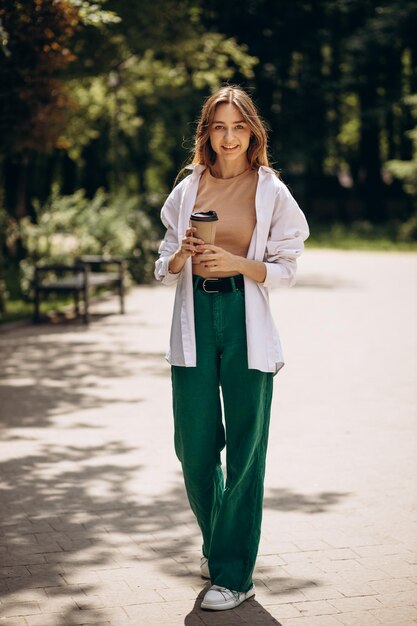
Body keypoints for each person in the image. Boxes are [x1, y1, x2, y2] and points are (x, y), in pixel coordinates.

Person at [154, 85, 309, 611]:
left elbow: (287, 267)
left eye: (238, 127)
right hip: (193, 322)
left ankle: (234, 573)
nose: (228, 137)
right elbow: (162, 264)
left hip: (246, 321)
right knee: (194, 451)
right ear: (207, 134)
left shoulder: (271, 191)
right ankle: (219, 544)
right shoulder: (186, 191)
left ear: (252, 133)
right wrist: (182, 257)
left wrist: (239, 263)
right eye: (218, 127)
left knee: (246, 449)